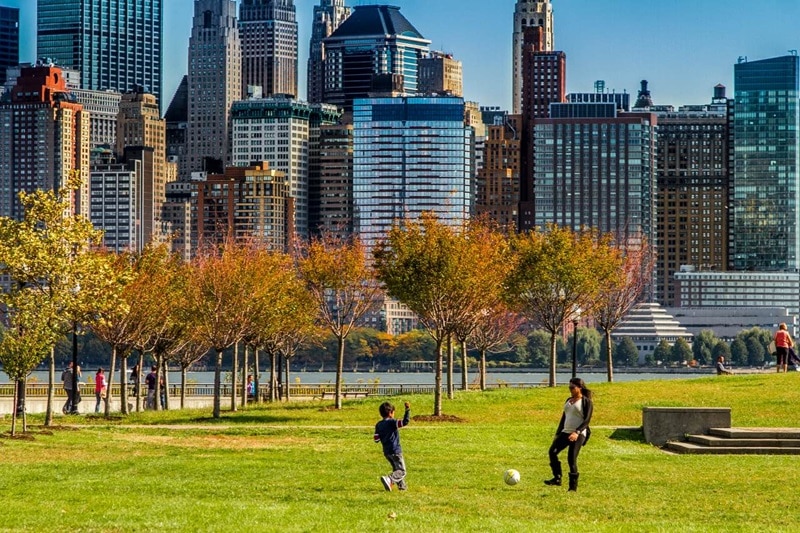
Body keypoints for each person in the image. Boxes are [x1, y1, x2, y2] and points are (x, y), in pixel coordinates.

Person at [544, 377, 593, 492]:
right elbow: (564, 417)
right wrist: (558, 433)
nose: (570, 389)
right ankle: (557, 478)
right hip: (565, 432)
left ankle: (572, 487)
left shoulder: (586, 402)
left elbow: (587, 420)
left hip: (578, 433)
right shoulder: (569, 400)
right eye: (569, 387)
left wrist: (577, 432)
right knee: (552, 452)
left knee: (571, 459)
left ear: (579, 388)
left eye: (572, 387)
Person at [374, 401, 411, 491]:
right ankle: (389, 479)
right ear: (391, 413)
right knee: (402, 471)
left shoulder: (378, 424)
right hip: (395, 450)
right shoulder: (392, 422)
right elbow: (404, 422)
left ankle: (402, 487)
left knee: (396, 469)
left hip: (387, 452)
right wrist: (407, 410)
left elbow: (376, 439)